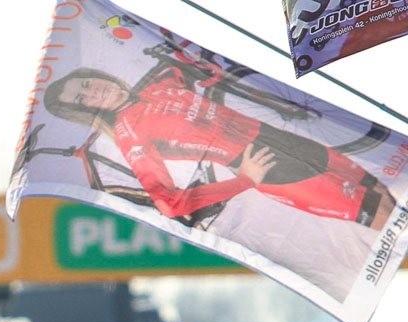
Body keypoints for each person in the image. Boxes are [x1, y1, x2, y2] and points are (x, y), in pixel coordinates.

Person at [43, 65, 398, 229]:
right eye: (83, 98)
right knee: (381, 215)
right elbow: (169, 204)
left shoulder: (156, 85)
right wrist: (244, 180)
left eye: (87, 84)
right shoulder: (128, 134)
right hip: (270, 168)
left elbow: (192, 69)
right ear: (85, 110)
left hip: (281, 137)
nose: (93, 92)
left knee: (384, 189)